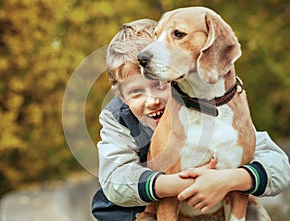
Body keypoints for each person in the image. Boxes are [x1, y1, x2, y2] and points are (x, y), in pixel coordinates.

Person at [91, 19, 290, 221]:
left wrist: (229, 180)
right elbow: (115, 180)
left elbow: (279, 166)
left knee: (253, 213)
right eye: (136, 91)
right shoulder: (118, 119)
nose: (152, 101)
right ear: (121, 95)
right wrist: (180, 184)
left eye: (160, 84)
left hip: (216, 206)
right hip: (141, 211)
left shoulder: (214, 106)